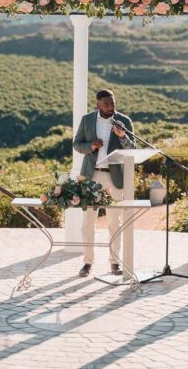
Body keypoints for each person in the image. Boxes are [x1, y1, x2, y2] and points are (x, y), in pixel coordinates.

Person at [73, 89, 136, 277]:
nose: (110, 107)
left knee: (114, 221)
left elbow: (132, 147)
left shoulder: (124, 121)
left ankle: (115, 262)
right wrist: (91, 146)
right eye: (106, 104)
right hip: (91, 175)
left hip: (114, 175)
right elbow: (77, 144)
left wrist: (122, 136)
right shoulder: (87, 120)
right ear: (98, 104)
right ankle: (87, 262)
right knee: (87, 222)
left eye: (112, 103)